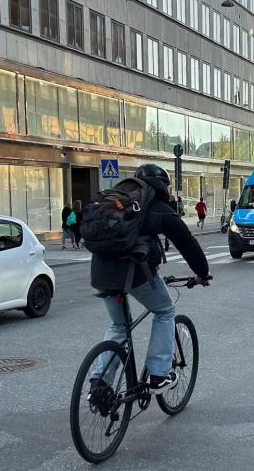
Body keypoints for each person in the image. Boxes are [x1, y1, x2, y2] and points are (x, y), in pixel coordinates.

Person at [90, 164, 210, 394]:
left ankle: (99, 383)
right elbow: (186, 243)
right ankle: (158, 375)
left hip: (101, 272)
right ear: (163, 186)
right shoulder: (157, 208)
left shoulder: (117, 203)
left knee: (118, 325)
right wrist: (202, 273)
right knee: (165, 310)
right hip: (134, 273)